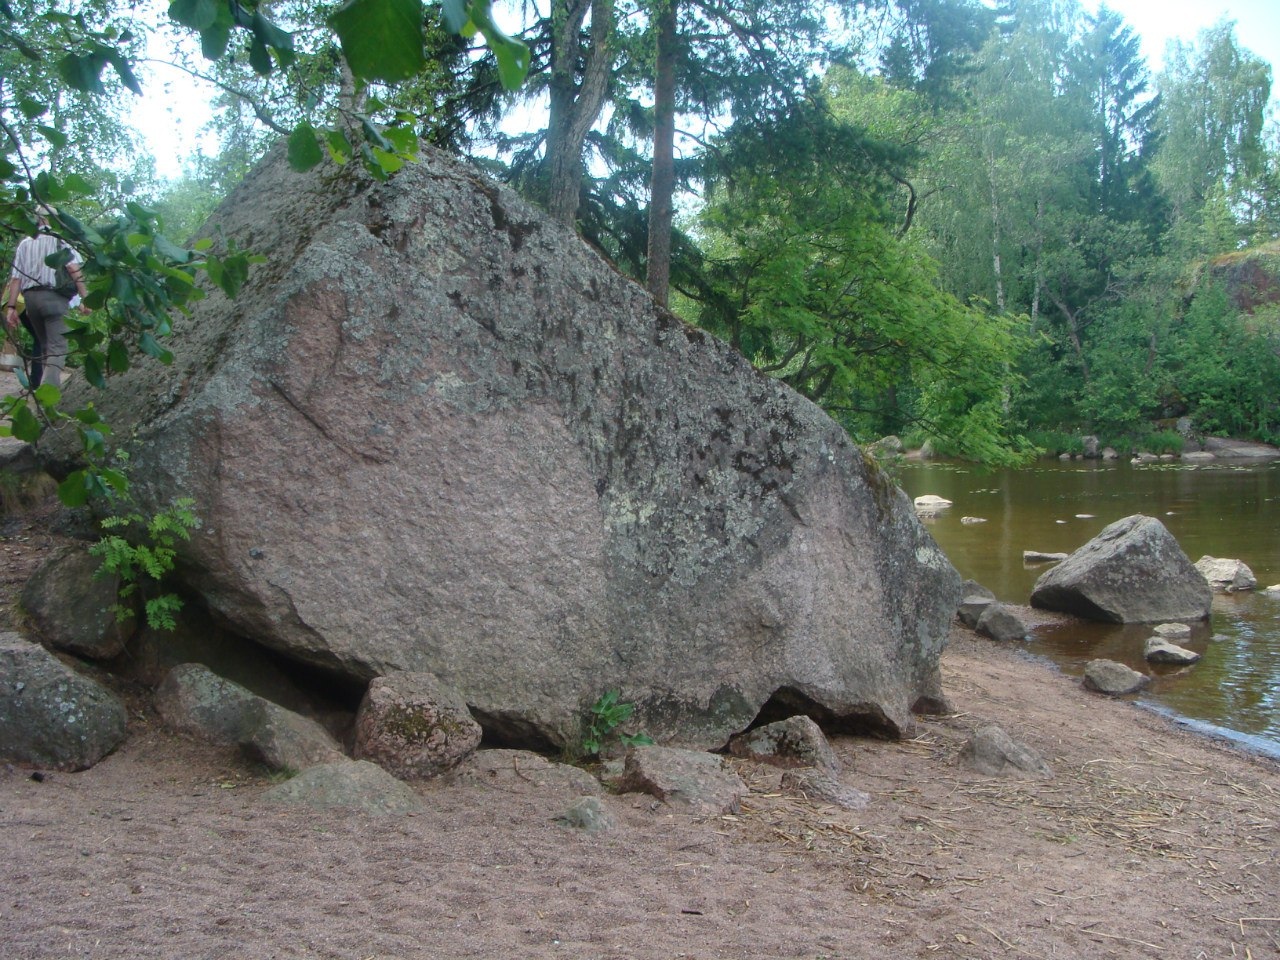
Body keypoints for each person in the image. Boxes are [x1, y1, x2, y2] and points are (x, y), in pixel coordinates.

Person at [3, 204, 90, 389]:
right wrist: (85, 297)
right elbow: (73, 269)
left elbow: (16, 278)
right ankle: (48, 392)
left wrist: (11, 308)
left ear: (37, 219)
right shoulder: (61, 240)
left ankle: (42, 385)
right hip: (54, 299)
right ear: (53, 218)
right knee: (58, 347)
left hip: (30, 301)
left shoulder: (25, 243)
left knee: (44, 345)